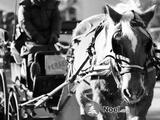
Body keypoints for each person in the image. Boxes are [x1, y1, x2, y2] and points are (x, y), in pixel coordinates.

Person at [16, 0, 62, 91]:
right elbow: (25, 24)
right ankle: (34, 82)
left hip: (49, 40)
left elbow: (57, 20)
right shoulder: (25, 6)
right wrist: (38, 37)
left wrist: (54, 34)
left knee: (55, 56)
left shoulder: (52, 4)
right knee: (33, 56)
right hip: (30, 41)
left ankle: (57, 84)